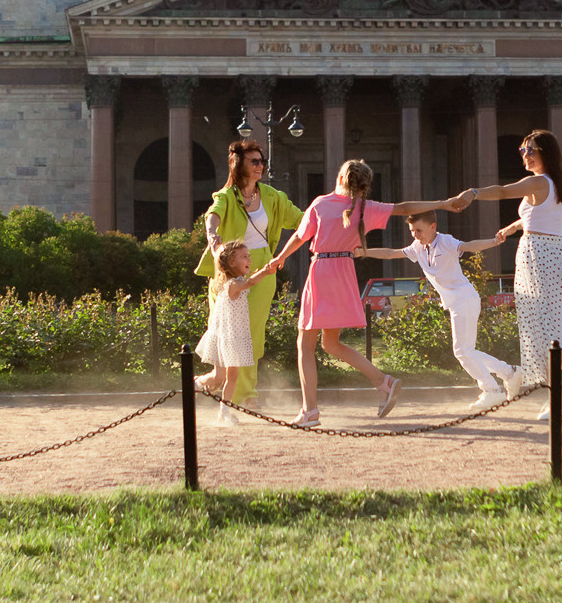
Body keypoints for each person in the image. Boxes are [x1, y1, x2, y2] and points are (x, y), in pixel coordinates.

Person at [265, 159, 458, 428]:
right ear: (364, 185)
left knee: (305, 345)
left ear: (340, 178)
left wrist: (280, 257)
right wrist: (444, 203)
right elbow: (404, 208)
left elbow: (300, 236)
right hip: (344, 272)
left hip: (322, 271)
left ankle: (310, 412)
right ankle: (383, 381)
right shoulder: (366, 207)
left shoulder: (321, 204)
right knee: (330, 343)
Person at [453, 128, 562, 416]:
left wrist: (474, 193)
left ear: (545, 153)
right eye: (522, 150)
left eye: (530, 150)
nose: (525, 155)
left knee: (541, 327)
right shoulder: (556, 184)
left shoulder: (536, 182)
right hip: (557, 253)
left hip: (536, 255)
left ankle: (557, 398)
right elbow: (538, 216)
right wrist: (512, 227)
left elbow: (503, 191)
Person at [357, 212, 518, 408]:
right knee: (467, 351)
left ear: (433, 226)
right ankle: (509, 373)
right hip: (456, 302)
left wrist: (495, 241)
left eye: (419, 230)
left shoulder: (445, 241)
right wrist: (363, 251)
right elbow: (391, 253)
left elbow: (469, 246)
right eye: (412, 231)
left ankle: (492, 390)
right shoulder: (417, 247)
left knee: (462, 351)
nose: (415, 235)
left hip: (465, 299)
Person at [193, 140, 304, 413]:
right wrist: (214, 239)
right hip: (228, 270)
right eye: (253, 161)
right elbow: (212, 216)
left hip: (262, 267)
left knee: (251, 333)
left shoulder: (273, 196)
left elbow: (302, 220)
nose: (260, 166)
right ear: (238, 164)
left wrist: (333, 217)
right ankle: (211, 380)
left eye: (261, 161)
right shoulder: (226, 196)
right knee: (226, 334)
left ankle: (245, 394)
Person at [195, 241, 277, 421]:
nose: (249, 259)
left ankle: (220, 408)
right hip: (226, 336)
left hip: (233, 336)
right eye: (244, 257)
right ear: (232, 263)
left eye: (249, 255)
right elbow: (252, 282)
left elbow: (249, 280)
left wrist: (262, 271)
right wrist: (266, 270)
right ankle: (200, 385)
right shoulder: (233, 284)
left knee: (227, 376)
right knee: (221, 377)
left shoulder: (236, 282)